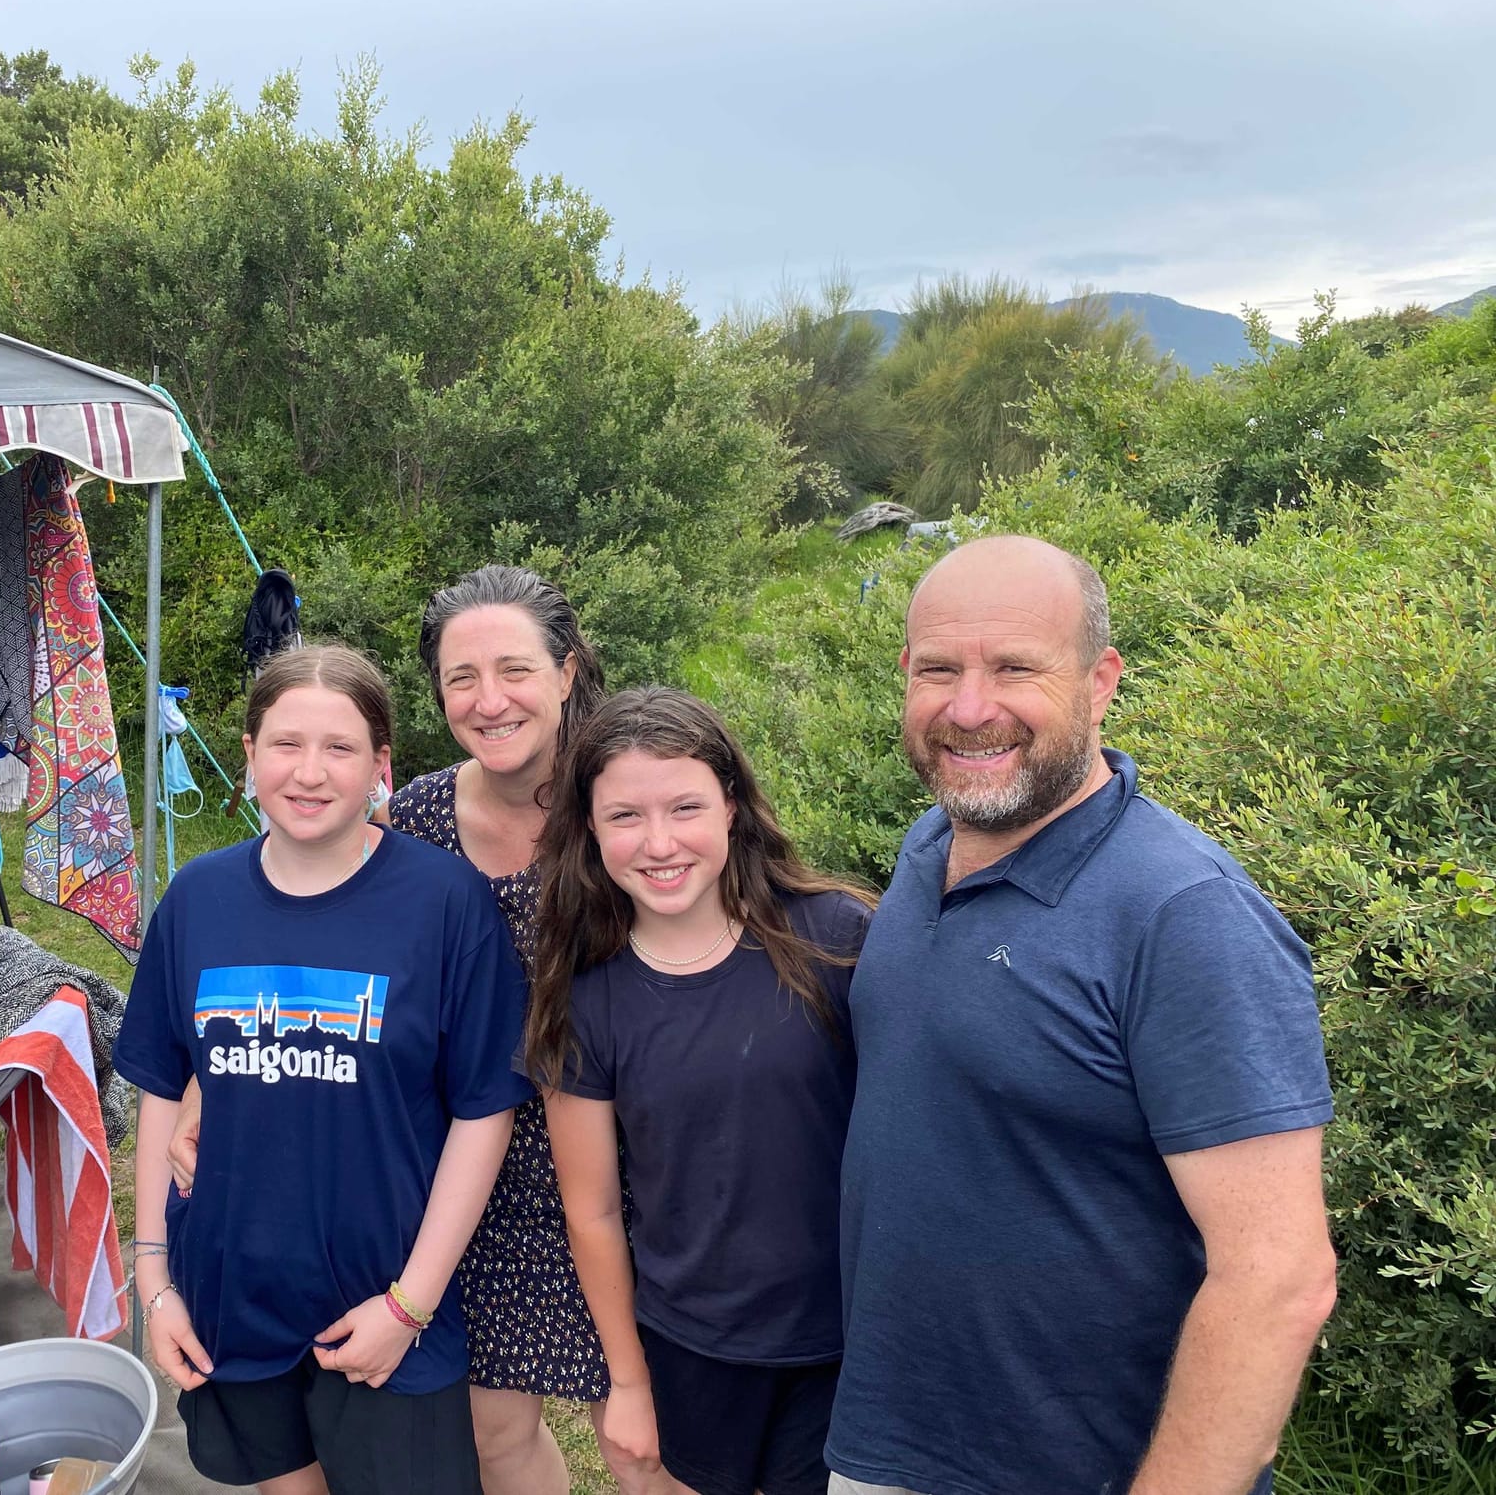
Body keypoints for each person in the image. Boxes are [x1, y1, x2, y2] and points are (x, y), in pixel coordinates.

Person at [825, 535, 1339, 1495]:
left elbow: (1280, 1279)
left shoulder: (1184, 912)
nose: (969, 708)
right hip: (890, 1440)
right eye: (940, 668)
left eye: (1015, 667)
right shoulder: (931, 844)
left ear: (1101, 681)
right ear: (906, 673)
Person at [171, 565, 679, 1495]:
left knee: (646, 1438)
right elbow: (305, 947)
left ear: (568, 672)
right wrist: (212, 1076)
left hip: (627, 1162)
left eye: (515, 670)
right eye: (460, 678)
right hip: (455, 1172)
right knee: (491, 1431)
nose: (490, 702)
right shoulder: (418, 817)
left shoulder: (627, 805)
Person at [113, 643, 531, 1495]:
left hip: (382, 1309)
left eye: (339, 748)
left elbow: (485, 1112)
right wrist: (155, 1282)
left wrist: (409, 1305)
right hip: (230, 1296)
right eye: (285, 744)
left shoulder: (446, 903)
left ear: (381, 765)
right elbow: (161, 1090)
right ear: (248, 755)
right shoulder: (197, 899)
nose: (309, 773)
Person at [527, 686, 874, 1495]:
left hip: (846, 1345)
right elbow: (594, 1209)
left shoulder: (837, 939)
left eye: (684, 807)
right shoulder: (585, 993)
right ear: (587, 829)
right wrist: (629, 1383)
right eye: (624, 817)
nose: (658, 843)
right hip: (689, 1347)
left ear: (731, 806)